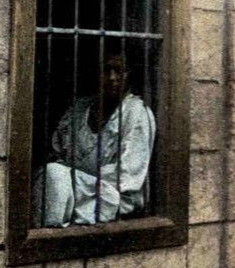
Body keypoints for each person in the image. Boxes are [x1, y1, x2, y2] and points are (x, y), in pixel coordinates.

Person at [33, 53, 156, 227]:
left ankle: (54, 228)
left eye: (119, 71)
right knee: (52, 174)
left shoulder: (137, 112)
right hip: (78, 189)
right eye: (106, 70)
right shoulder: (80, 108)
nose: (112, 77)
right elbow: (56, 151)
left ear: (130, 74)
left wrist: (73, 173)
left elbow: (128, 174)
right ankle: (50, 231)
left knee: (56, 174)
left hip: (113, 196)